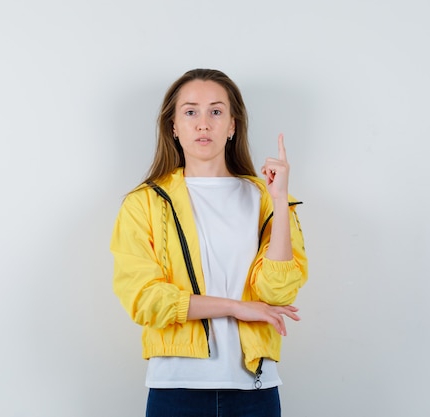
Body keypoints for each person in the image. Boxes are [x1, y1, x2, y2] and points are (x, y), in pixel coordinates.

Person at [110, 69, 308, 417]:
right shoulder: (144, 203)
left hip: (255, 387)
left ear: (232, 125)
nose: (203, 124)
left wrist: (279, 202)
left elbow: (277, 294)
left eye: (216, 111)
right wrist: (235, 307)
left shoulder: (266, 199)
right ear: (173, 126)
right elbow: (145, 299)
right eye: (190, 112)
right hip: (176, 388)